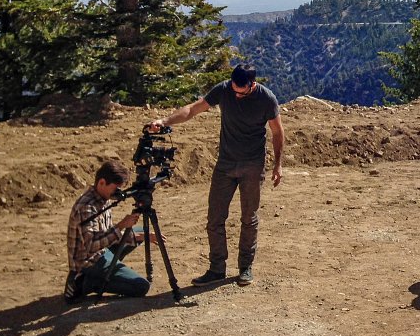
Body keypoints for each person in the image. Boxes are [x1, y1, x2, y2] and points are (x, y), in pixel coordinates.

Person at [146, 63, 284, 287]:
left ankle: (245, 267)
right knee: (214, 218)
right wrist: (165, 121)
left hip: (252, 165)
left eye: (242, 92)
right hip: (225, 164)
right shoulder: (223, 90)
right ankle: (217, 268)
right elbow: (193, 109)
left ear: (253, 84)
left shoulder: (266, 98)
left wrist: (278, 165)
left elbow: (277, 132)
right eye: (234, 90)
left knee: (249, 218)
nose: (237, 95)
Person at [64, 159, 154, 302]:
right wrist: (121, 226)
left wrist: (139, 236)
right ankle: (85, 283)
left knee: (142, 231)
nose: (117, 192)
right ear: (101, 183)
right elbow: (92, 245)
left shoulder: (103, 197)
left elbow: (107, 234)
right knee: (141, 286)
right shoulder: (86, 207)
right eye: (115, 188)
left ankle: (105, 271)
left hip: (102, 249)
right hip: (89, 260)